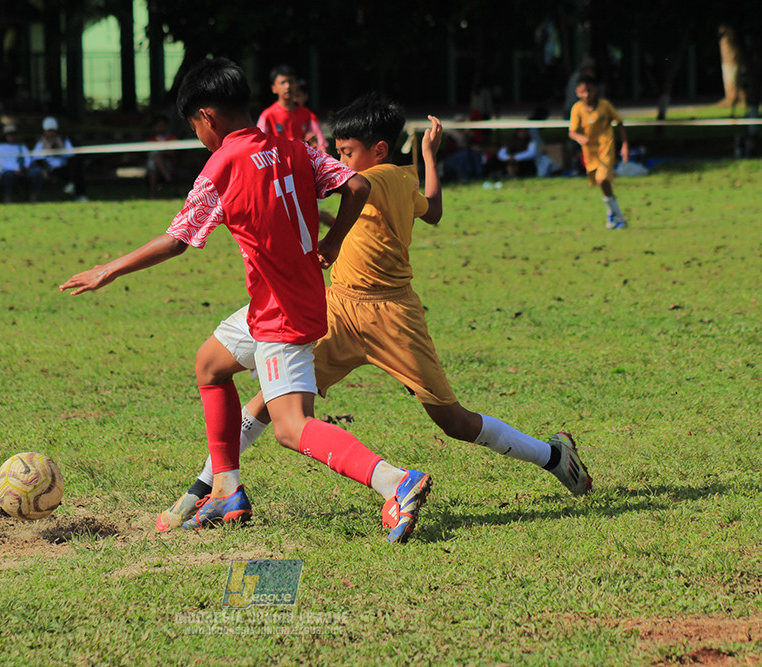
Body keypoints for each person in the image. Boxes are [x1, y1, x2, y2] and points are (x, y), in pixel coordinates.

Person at [157, 93, 592, 533]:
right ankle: (204, 491)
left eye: (345, 153)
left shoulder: (379, 179)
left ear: (378, 151)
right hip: (338, 311)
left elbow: (356, 191)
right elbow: (432, 211)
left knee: (454, 421)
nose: (337, 159)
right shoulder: (401, 179)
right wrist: (427, 158)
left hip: (393, 319)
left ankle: (553, 455)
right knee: (272, 402)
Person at [60, 58, 431, 544]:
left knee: (291, 428)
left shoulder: (223, 164)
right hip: (289, 298)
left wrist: (107, 269)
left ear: (207, 116)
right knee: (210, 365)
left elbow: (177, 239)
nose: (197, 134)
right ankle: (226, 488)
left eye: (193, 124)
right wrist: (334, 240)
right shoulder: (290, 146)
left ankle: (394, 482)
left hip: (280, 312)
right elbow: (356, 185)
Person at [568, 75, 630, 229]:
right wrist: (580, 138)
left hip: (606, 149)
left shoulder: (605, 106)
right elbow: (572, 132)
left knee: (602, 180)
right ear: (577, 92)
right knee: (602, 185)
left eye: (589, 91)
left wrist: (625, 145)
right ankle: (612, 215)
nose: (587, 95)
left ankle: (620, 218)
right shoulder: (577, 109)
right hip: (590, 153)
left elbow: (620, 122)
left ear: (596, 90)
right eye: (583, 92)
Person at [256, 65, 328, 152]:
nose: (287, 86)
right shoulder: (267, 115)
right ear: (274, 88)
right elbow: (258, 146)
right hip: (279, 164)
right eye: (283, 82)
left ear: (297, 85)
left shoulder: (308, 115)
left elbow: (322, 146)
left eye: (291, 82)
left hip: (302, 163)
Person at [32, 117, 86, 202]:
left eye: (52, 130)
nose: (50, 133)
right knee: (74, 170)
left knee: (77, 165)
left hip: (65, 166)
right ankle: (72, 186)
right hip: (51, 169)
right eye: (48, 130)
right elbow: (36, 157)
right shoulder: (41, 142)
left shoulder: (63, 140)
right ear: (44, 131)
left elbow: (71, 154)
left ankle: (78, 193)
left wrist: (60, 150)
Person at [0, 124, 44, 203]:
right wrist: (14, 170)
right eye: (9, 135)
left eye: (13, 135)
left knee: (37, 172)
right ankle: (8, 197)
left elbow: (27, 158)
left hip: (24, 170)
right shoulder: (0, 147)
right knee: (9, 175)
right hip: (9, 171)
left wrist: (26, 167)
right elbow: (0, 163)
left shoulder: (21, 146)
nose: (12, 137)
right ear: (5, 136)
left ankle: (34, 196)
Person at [146, 113, 177, 197]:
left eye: (162, 125)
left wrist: (160, 153)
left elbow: (173, 153)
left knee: (154, 158)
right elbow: (148, 153)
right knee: (153, 161)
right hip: (154, 165)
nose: (161, 127)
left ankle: (152, 193)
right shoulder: (151, 140)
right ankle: (168, 178)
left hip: (169, 164)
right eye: (158, 125)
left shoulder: (172, 138)